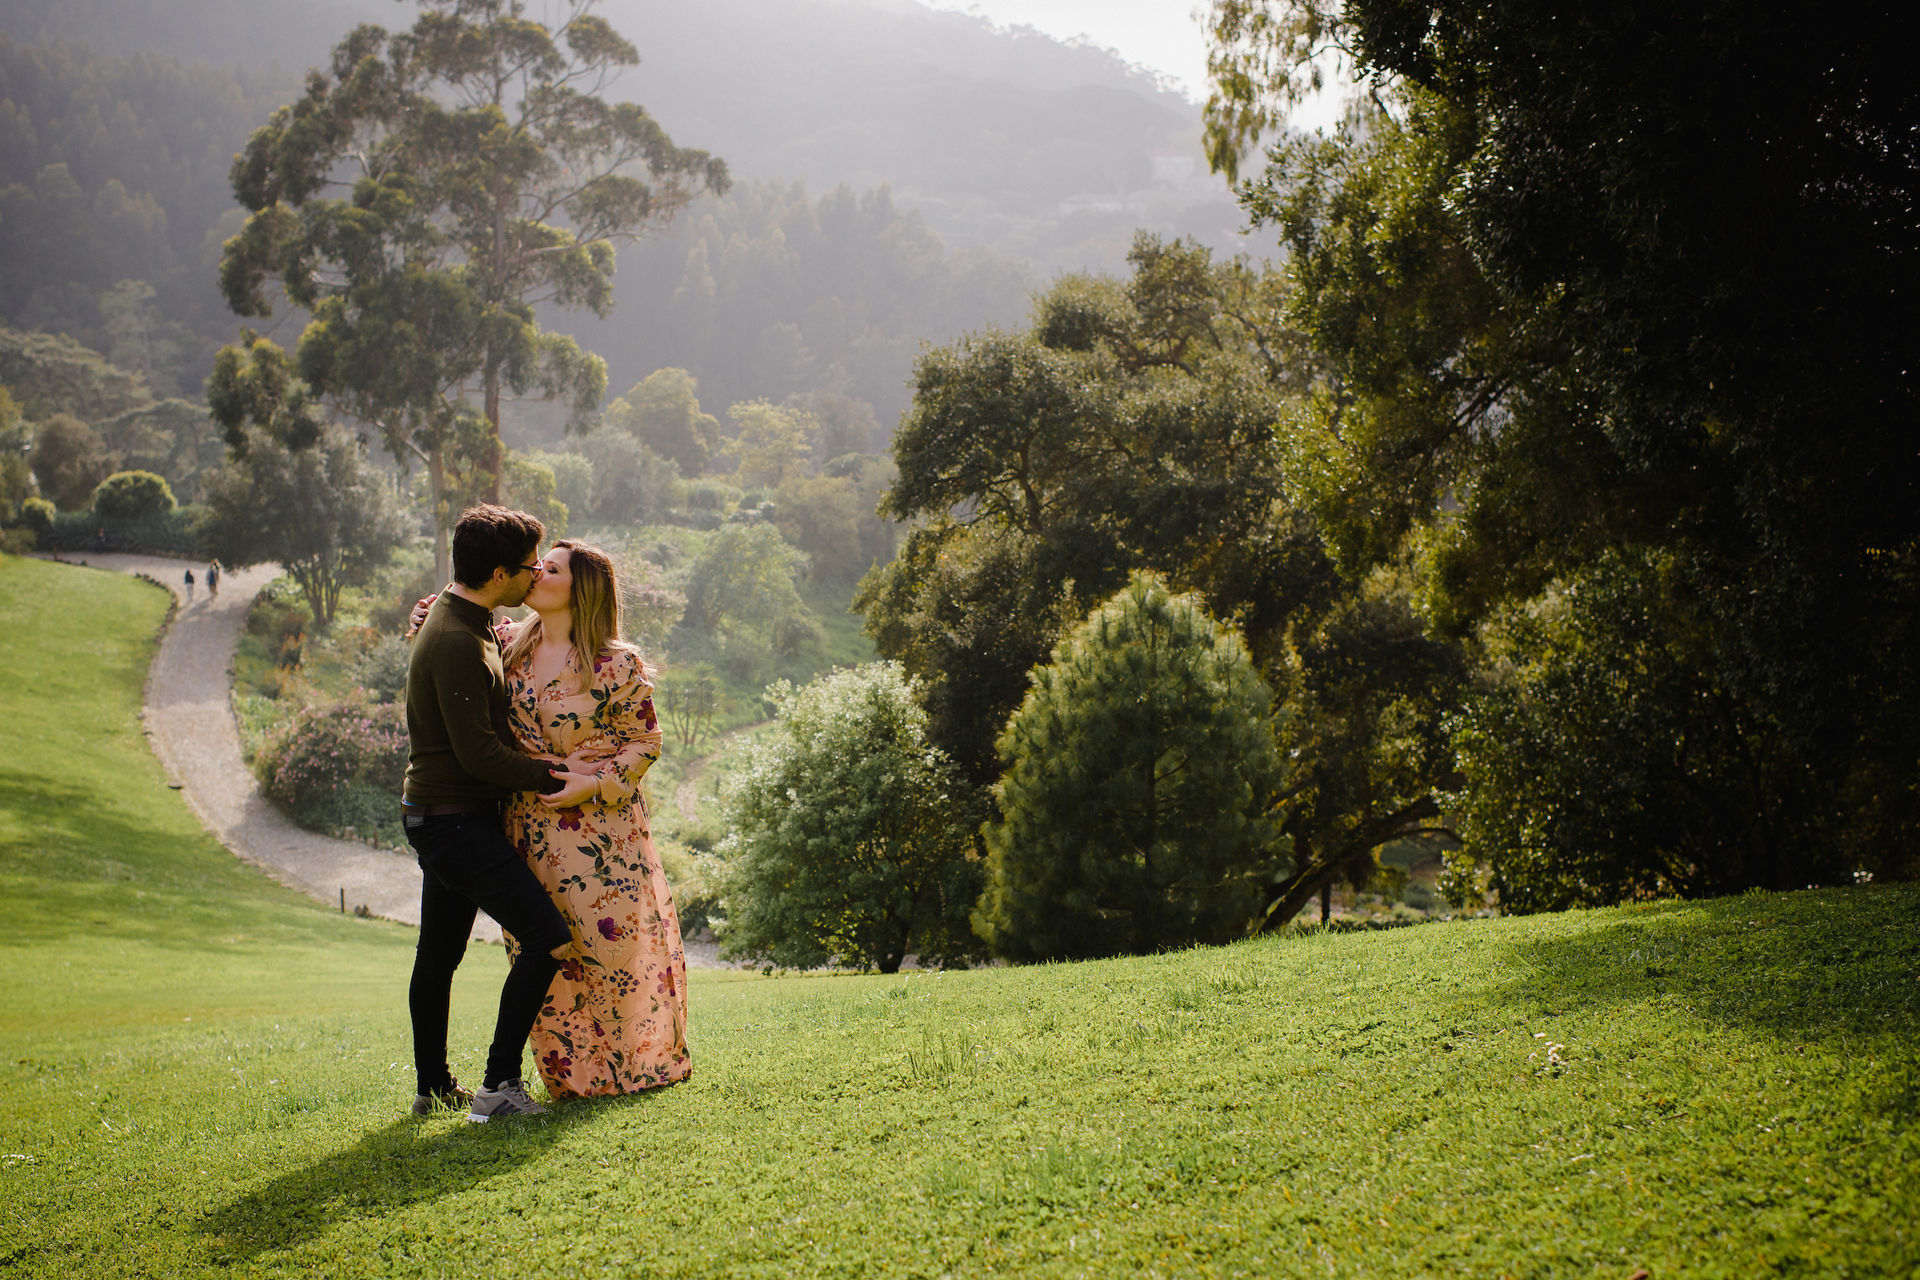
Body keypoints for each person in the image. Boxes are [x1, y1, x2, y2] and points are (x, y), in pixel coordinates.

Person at [412, 541, 691, 1097]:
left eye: (552, 568)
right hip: (525, 830)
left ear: (581, 588)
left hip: (602, 833)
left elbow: (645, 741)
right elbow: (450, 623)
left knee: (610, 949)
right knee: (547, 954)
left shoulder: (618, 663)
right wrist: (423, 613)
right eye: (538, 564)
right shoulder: (506, 642)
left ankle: (632, 1067)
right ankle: (572, 1078)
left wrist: (593, 782)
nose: (537, 571)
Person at [402, 504, 600, 1123]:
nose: (534, 575)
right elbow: (480, 754)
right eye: (525, 568)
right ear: (495, 573)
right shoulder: (459, 637)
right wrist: (563, 775)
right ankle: (499, 1088)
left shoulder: (465, 615)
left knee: (438, 954)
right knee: (546, 937)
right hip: (452, 820)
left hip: (443, 814)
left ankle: (432, 1086)